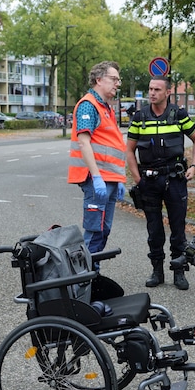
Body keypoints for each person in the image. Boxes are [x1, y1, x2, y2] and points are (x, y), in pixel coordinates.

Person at [125, 76, 195, 289]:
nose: (152, 93)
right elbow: (130, 150)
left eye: (157, 89)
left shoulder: (178, 115)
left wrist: (194, 166)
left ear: (168, 92)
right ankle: (157, 270)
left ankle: (179, 271)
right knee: (154, 229)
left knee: (178, 228)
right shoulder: (140, 117)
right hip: (149, 181)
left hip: (175, 180)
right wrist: (137, 178)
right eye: (150, 89)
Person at [68, 61, 127, 256]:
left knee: (103, 231)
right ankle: (83, 280)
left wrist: (117, 179)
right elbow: (84, 143)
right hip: (96, 180)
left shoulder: (106, 108)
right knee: (94, 233)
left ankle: (92, 275)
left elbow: (110, 147)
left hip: (108, 179)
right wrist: (97, 177)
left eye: (118, 80)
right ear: (98, 79)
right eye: (114, 79)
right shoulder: (88, 105)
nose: (117, 84)